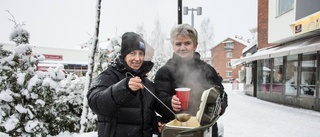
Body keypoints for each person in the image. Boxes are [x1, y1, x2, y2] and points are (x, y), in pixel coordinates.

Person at [154, 24, 228, 137]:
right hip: (177, 131)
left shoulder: (208, 70)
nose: (182, 48)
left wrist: (220, 106)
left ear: (195, 45)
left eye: (187, 43)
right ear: (173, 45)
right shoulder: (164, 72)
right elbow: (157, 100)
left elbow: (222, 95)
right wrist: (169, 102)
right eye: (178, 44)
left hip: (206, 129)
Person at [87, 32, 164, 137]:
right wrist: (125, 88)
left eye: (141, 54)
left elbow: (145, 116)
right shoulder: (109, 76)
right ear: (124, 55)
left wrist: (156, 124)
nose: (137, 58)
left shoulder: (147, 84)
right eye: (132, 53)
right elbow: (95, 102)